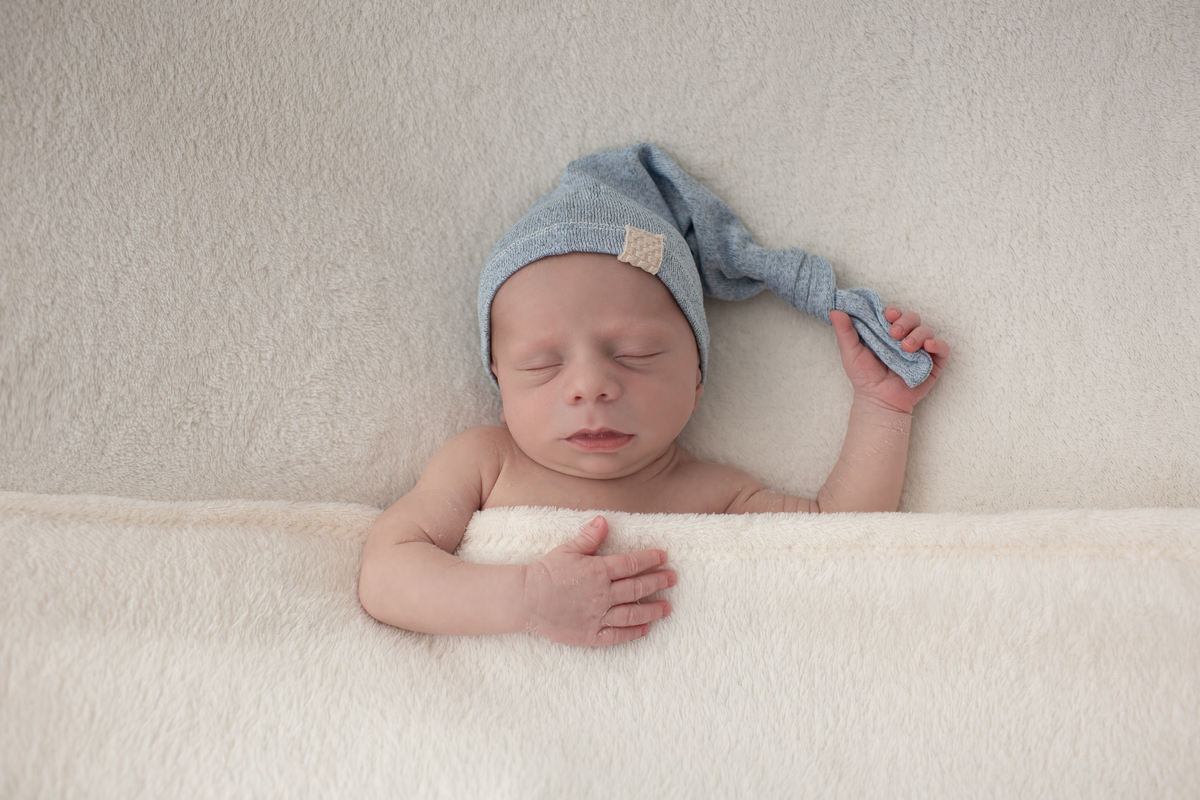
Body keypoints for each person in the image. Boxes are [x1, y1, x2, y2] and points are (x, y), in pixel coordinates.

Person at [358, 144, 949, 647]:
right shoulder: (486, 463)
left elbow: (838, 542)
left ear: (696, 375)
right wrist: (527, 600)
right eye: (541, 365)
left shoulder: (712, 492)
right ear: (498, 380)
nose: (590, 386)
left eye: (635, 355)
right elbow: (386, 571)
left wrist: (883, 408)